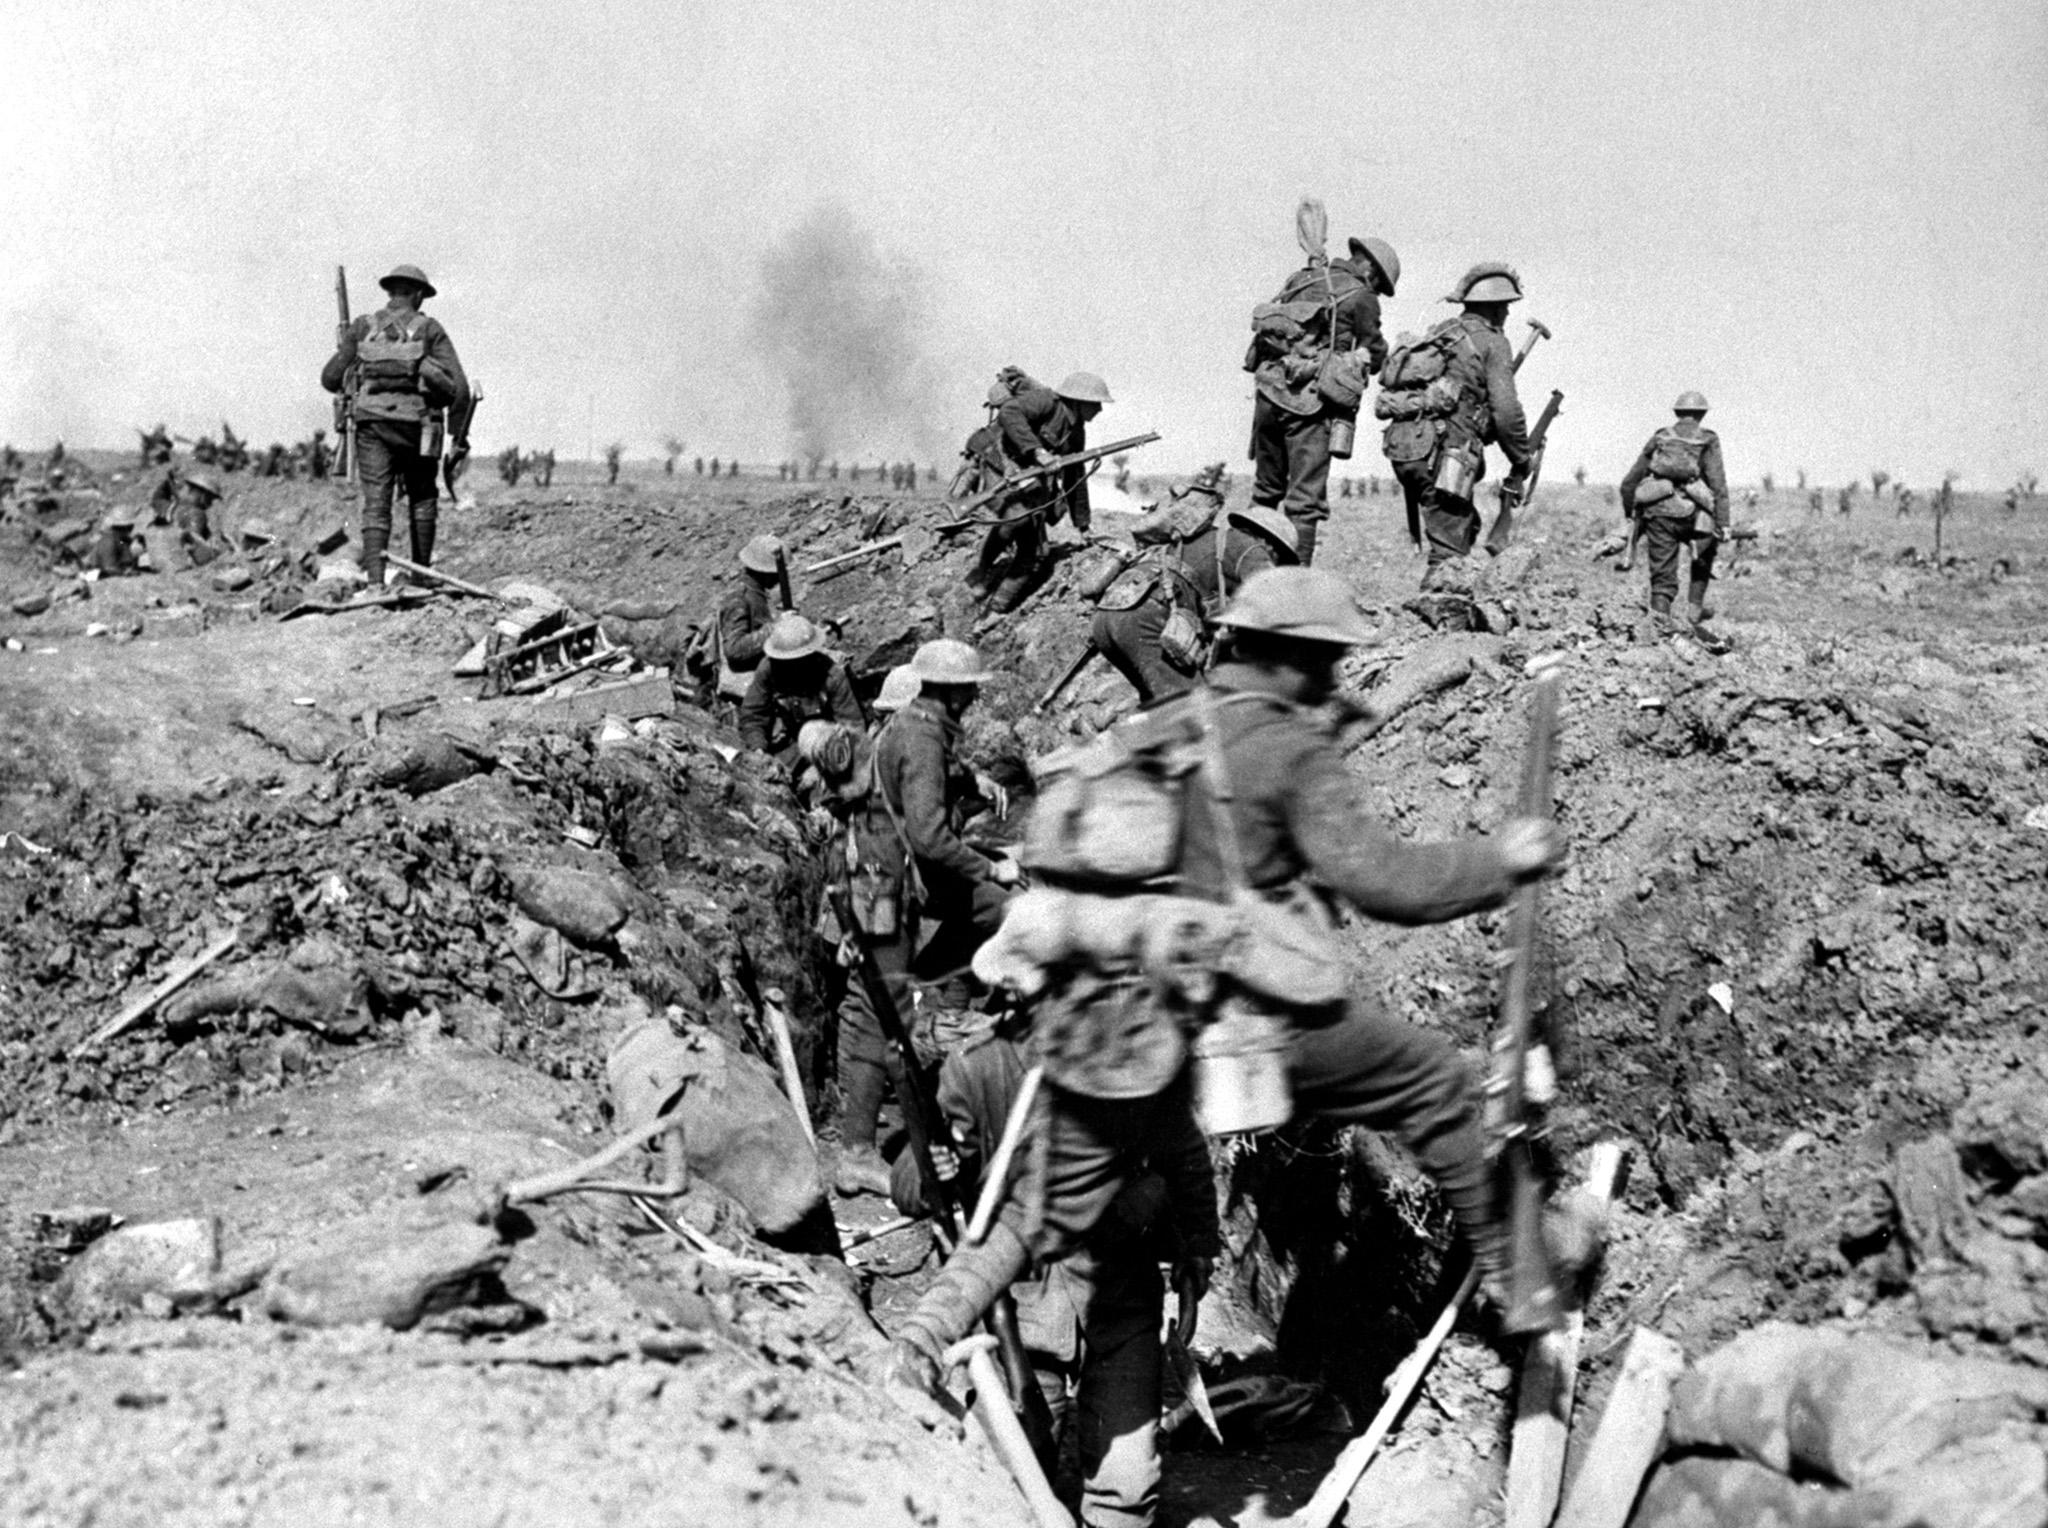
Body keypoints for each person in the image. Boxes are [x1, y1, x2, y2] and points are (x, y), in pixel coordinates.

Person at [884, 567, 1568, 1412]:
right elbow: (1384, 881)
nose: (1334, 679)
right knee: (1427, 1079)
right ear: (1295, 659)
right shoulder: (1286, 746)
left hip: (1116, 1018)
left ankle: (920, 1340)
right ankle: (1527, 1284)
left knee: (1033, 1207)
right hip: (1232, 1018)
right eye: (1328, 661)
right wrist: (1502, 860)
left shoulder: (1164, 726)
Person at [888, 1021, 1217, 1528]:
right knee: (1010, 1480)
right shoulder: (982, 1068)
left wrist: (1196, 1252)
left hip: (1120, 1304)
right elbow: (912, 1182)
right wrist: (932, 1171)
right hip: (1020, 1311)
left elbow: (1187, 1156)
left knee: (1127, 1495)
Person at [1245, 235, 1398, 566]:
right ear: (1369, 268)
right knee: (1304, 502)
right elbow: (1374, 347)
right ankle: (1295, 590)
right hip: (1309, 405)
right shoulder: (1362, 296)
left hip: (1269, 394)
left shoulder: (1302, 278)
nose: (1375, 287)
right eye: (1378, 282)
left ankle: (1247, 573)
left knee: (1265, 492)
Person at [1380, 265, 1531, 588]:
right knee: (1448, 548)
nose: (1506, 312)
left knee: (1459, 527)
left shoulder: (1443, 332)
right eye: (1504, 305)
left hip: (1408, 447)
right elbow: (1507, 412)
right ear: (1491, 308)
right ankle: (1434, 622)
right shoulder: (1492, 341)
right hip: (1448, 456)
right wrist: (1522, 458)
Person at [320, 264, 469, 586]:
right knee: (423, 496)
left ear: (390, 293)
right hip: (418, 427)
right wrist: (458, 436)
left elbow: (329, 379)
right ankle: (420, 576)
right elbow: (460, 389)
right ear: (417, 295)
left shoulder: (363, 327)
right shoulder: (430, 329)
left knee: (376, 503)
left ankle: (375, 582)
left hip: (372, 425)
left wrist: (350, 361)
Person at [1092, 481, 1300, 705]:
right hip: (1144, 619)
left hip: (1106, 618)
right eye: (1278, 559)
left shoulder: (1205, 541)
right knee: (1196, 713)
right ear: (1269, 544)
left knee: (1159, 704)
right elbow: (1273, 601)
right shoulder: (1251, 548)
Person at [977, 372, 1112, 612]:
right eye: (1095, 403)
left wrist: (1082, 524)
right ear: (1078, 400)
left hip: (1029, 483)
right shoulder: (1046, 402)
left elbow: (1075, 476)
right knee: (1017, 517)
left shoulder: (1076, 432)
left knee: (1035, 552)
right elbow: (1009, 413)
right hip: (1002, 466)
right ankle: (981, 571)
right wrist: (1038, 452)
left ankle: (997, 608)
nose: (1100, 410)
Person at [1618, 390, 1730, 643]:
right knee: (1706, 546)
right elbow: (1718, 485)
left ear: (1677, 413)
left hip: (1658, 515)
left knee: (1662, 576)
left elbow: (1628, 483)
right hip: (1693, 517)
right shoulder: (1707, 439)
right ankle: (1694, 609)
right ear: (1702, 414)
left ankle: (1659, 626)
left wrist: (1632, 519)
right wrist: (1724, 523)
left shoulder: (1661, 437)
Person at [738, 615, 865, 757]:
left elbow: (852, 726)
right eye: (784, 661)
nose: (791, 666)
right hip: (792, 742)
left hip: (827, 745)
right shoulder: (768, 669)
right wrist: (758, 749)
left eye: (797, 660)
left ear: (810, 654)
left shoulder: (832, 674)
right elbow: (753, 715)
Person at [715, 535, 785, 698]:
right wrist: (774, 629)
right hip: (746, 687)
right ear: (762, 572)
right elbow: (734, 649)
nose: (778, 578)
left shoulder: (757, 592)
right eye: (775, 573)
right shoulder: (739, 598)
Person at [89, 505, 145, 577]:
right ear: (127, 527)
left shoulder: (121, 539)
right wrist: (124, 572)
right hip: (98, 570)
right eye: (131, 526)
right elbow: (109, 568)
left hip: (117, 564)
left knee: (138, 540)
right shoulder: (109, 541)